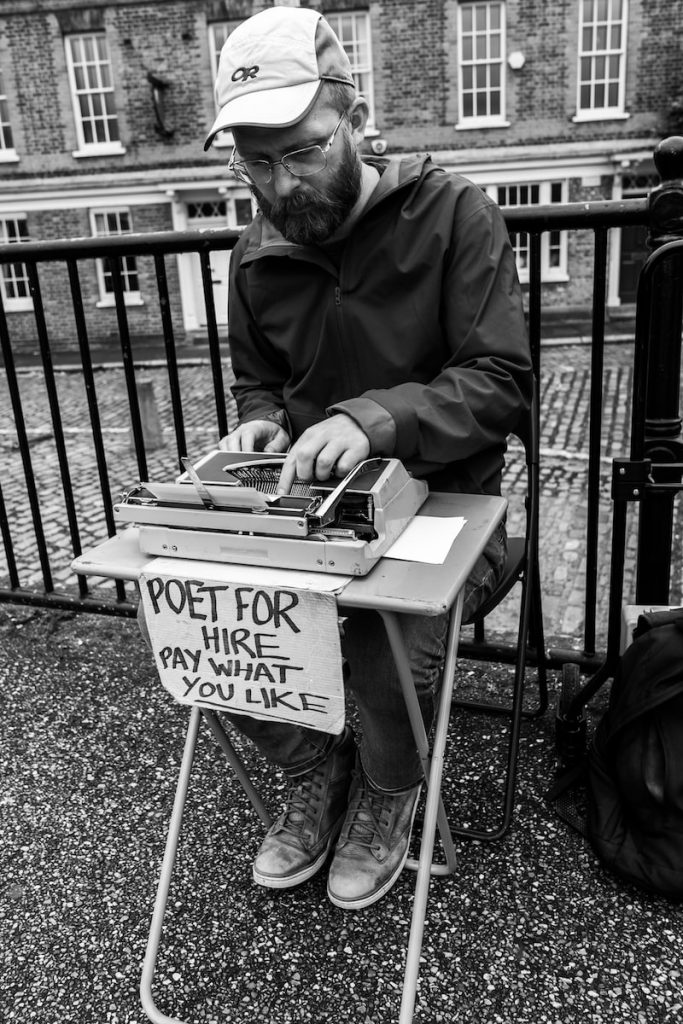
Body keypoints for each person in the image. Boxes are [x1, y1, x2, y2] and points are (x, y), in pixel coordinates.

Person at [203, 5, 533, 911]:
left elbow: (501, 381)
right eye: (256, 162)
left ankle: (389, 792)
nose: (280, 182)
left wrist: (374, 419)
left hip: (453, 510)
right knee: (217, 620)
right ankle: (314, 766)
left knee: (378, 637)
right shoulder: (251, 253)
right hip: (315, 516)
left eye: (303, 150)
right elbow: (256, 382)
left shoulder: (455, 213)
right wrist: (261, 420)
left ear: (354, 119)